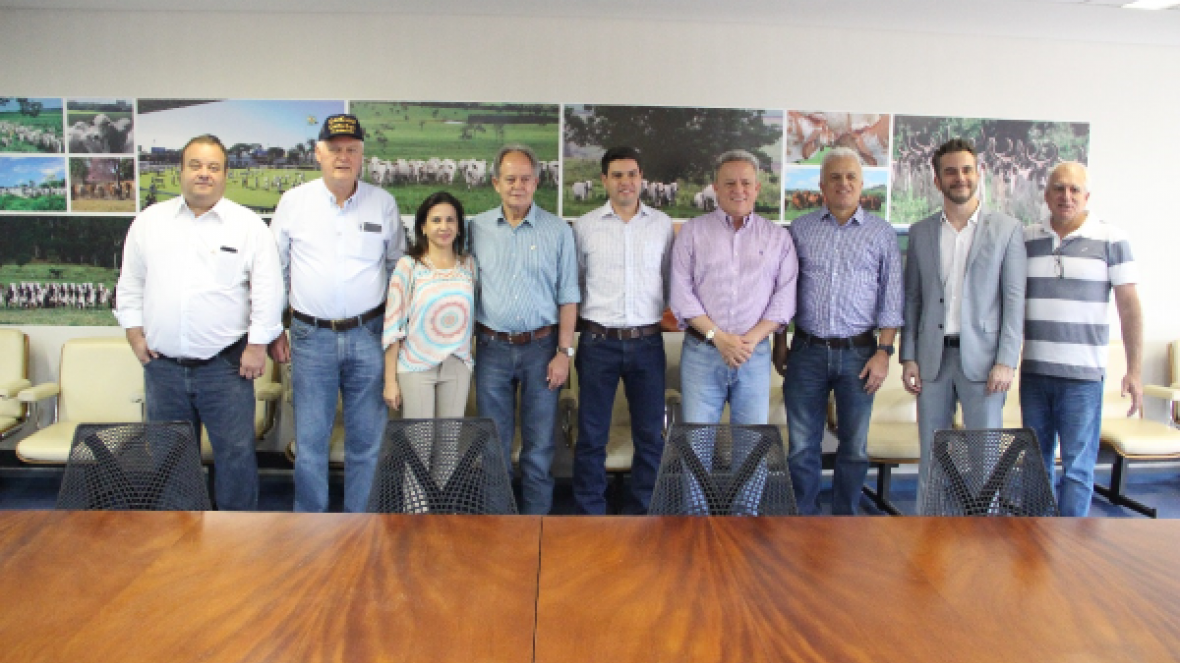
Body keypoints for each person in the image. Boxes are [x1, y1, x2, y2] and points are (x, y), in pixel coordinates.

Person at [115, 133, 283, 511]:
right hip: (163, 367)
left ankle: (236, 541)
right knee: (170, 457)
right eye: (195, 165)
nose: (203, 174)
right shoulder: (149, 222)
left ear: (225, 174)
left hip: (226, 367)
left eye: (213, 167)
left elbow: (268, 291)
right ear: (181, 171)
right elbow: (130, 283)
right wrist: (133, 333)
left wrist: (257, 346)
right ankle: (180, 541)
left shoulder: (248, 226)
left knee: (236, 455)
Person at [269, 114, 405, 513]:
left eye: (351, 150)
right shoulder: (294, 204)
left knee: (366, 442)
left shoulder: (383, 204)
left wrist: (394, 332)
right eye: (334, 149)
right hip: (311, 338)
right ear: (318, 153)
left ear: (362, 156)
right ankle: (312, 529)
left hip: (369, 335)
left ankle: (359, 526)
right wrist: (276, 327)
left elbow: (398, 269)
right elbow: (275, 268)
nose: (343, 157)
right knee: (310, 443)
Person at [899, 138, 1027, 509]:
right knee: (932, 458)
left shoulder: (1006, 230)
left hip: (986, 363)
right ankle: (929, 538)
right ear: (937, 180)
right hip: (932, 361)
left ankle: (981, 541)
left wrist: (1006, 359)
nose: (960, 178)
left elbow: (1013, 301)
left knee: (984, 461)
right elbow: (913, 299)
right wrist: (908, 356)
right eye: (951, 171)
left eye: (967, 170)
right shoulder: (921, 232)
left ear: (979, 174)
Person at [777, 146, 904, 515]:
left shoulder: (881, 234)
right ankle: (804, 518)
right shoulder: (800, 229)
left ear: (862, 185)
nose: (843, 183)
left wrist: (885, 353)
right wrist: (780, 342)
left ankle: (845, 523)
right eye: (835, 177)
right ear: (821, 185)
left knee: (853, 447)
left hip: (861, 355)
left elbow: (891, 299)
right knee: (802, 445)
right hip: (806, 351)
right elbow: (783, 291)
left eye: (850, 177)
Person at [1021, 161, 1142, 517]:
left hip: (1083, 378)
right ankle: (1036, 547)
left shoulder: (1112, 239)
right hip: (1035, 374)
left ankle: (1070, 553)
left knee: (1077, 468)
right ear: (1046, 195)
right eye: (1059, 188)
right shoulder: (1027, 238)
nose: (1066, 196)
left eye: (1074, 190)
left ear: (1087, 197)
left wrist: (1134, 370)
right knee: (1035, 466)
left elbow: (1130, 308)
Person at [469, 144, 579, 515]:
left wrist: (564, 354)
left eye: (526, 178)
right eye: (510, 178)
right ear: (495, 183)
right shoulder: (476, 229)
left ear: (537, 182)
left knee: (540, 447)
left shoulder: (558, 230)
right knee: (494, 445)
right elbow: (463, 288)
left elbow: (568, 297)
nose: (518, 186)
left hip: (542, 350)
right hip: (491, 349)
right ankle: (499, 529)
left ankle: (536, 529)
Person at [572, 146, 674, 514]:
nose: (625, 182)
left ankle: (645, 511)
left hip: (647, 343)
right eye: (617, 175)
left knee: (649, 436)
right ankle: (589, 512)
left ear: (641, 178)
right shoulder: (584, 227)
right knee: (591, 435)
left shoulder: (661, 225)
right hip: (598, 342)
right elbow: (577, 286)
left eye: (631, 174)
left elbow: (667, 281)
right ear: (604, 180)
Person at [669, 149, 797, 425]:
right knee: (697, 446)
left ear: (757, 188)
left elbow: (784, 299)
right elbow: (681, 295)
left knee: (751, 449)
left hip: (754, 355)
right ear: (715, 188)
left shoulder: (778, 238)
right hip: (702, 353)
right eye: (729, 183)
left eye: (746, 183)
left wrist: (746, 342)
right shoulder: (692, 232)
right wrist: (720, 338)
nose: (738, 190)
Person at [382, 191, 475, 418]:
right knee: (419, 445)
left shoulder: (468, 265)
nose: (444, 227)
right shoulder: (408, 266)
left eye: (450, 220)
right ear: (423, 227)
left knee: (449, 444)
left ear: (459, 227)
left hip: (457, 365)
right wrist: (390, 381)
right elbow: (393, 326)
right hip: (415, 366)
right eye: (436, 220)